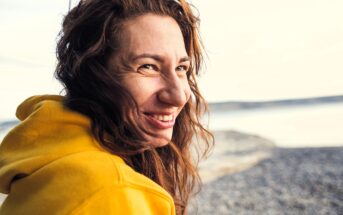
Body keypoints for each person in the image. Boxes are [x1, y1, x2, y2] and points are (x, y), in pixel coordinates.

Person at [0, 0, 213, 214]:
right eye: (147, 67)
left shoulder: (54, 158)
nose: (178, 96)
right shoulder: (111, 190)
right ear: (92, 75)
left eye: (181, 68)